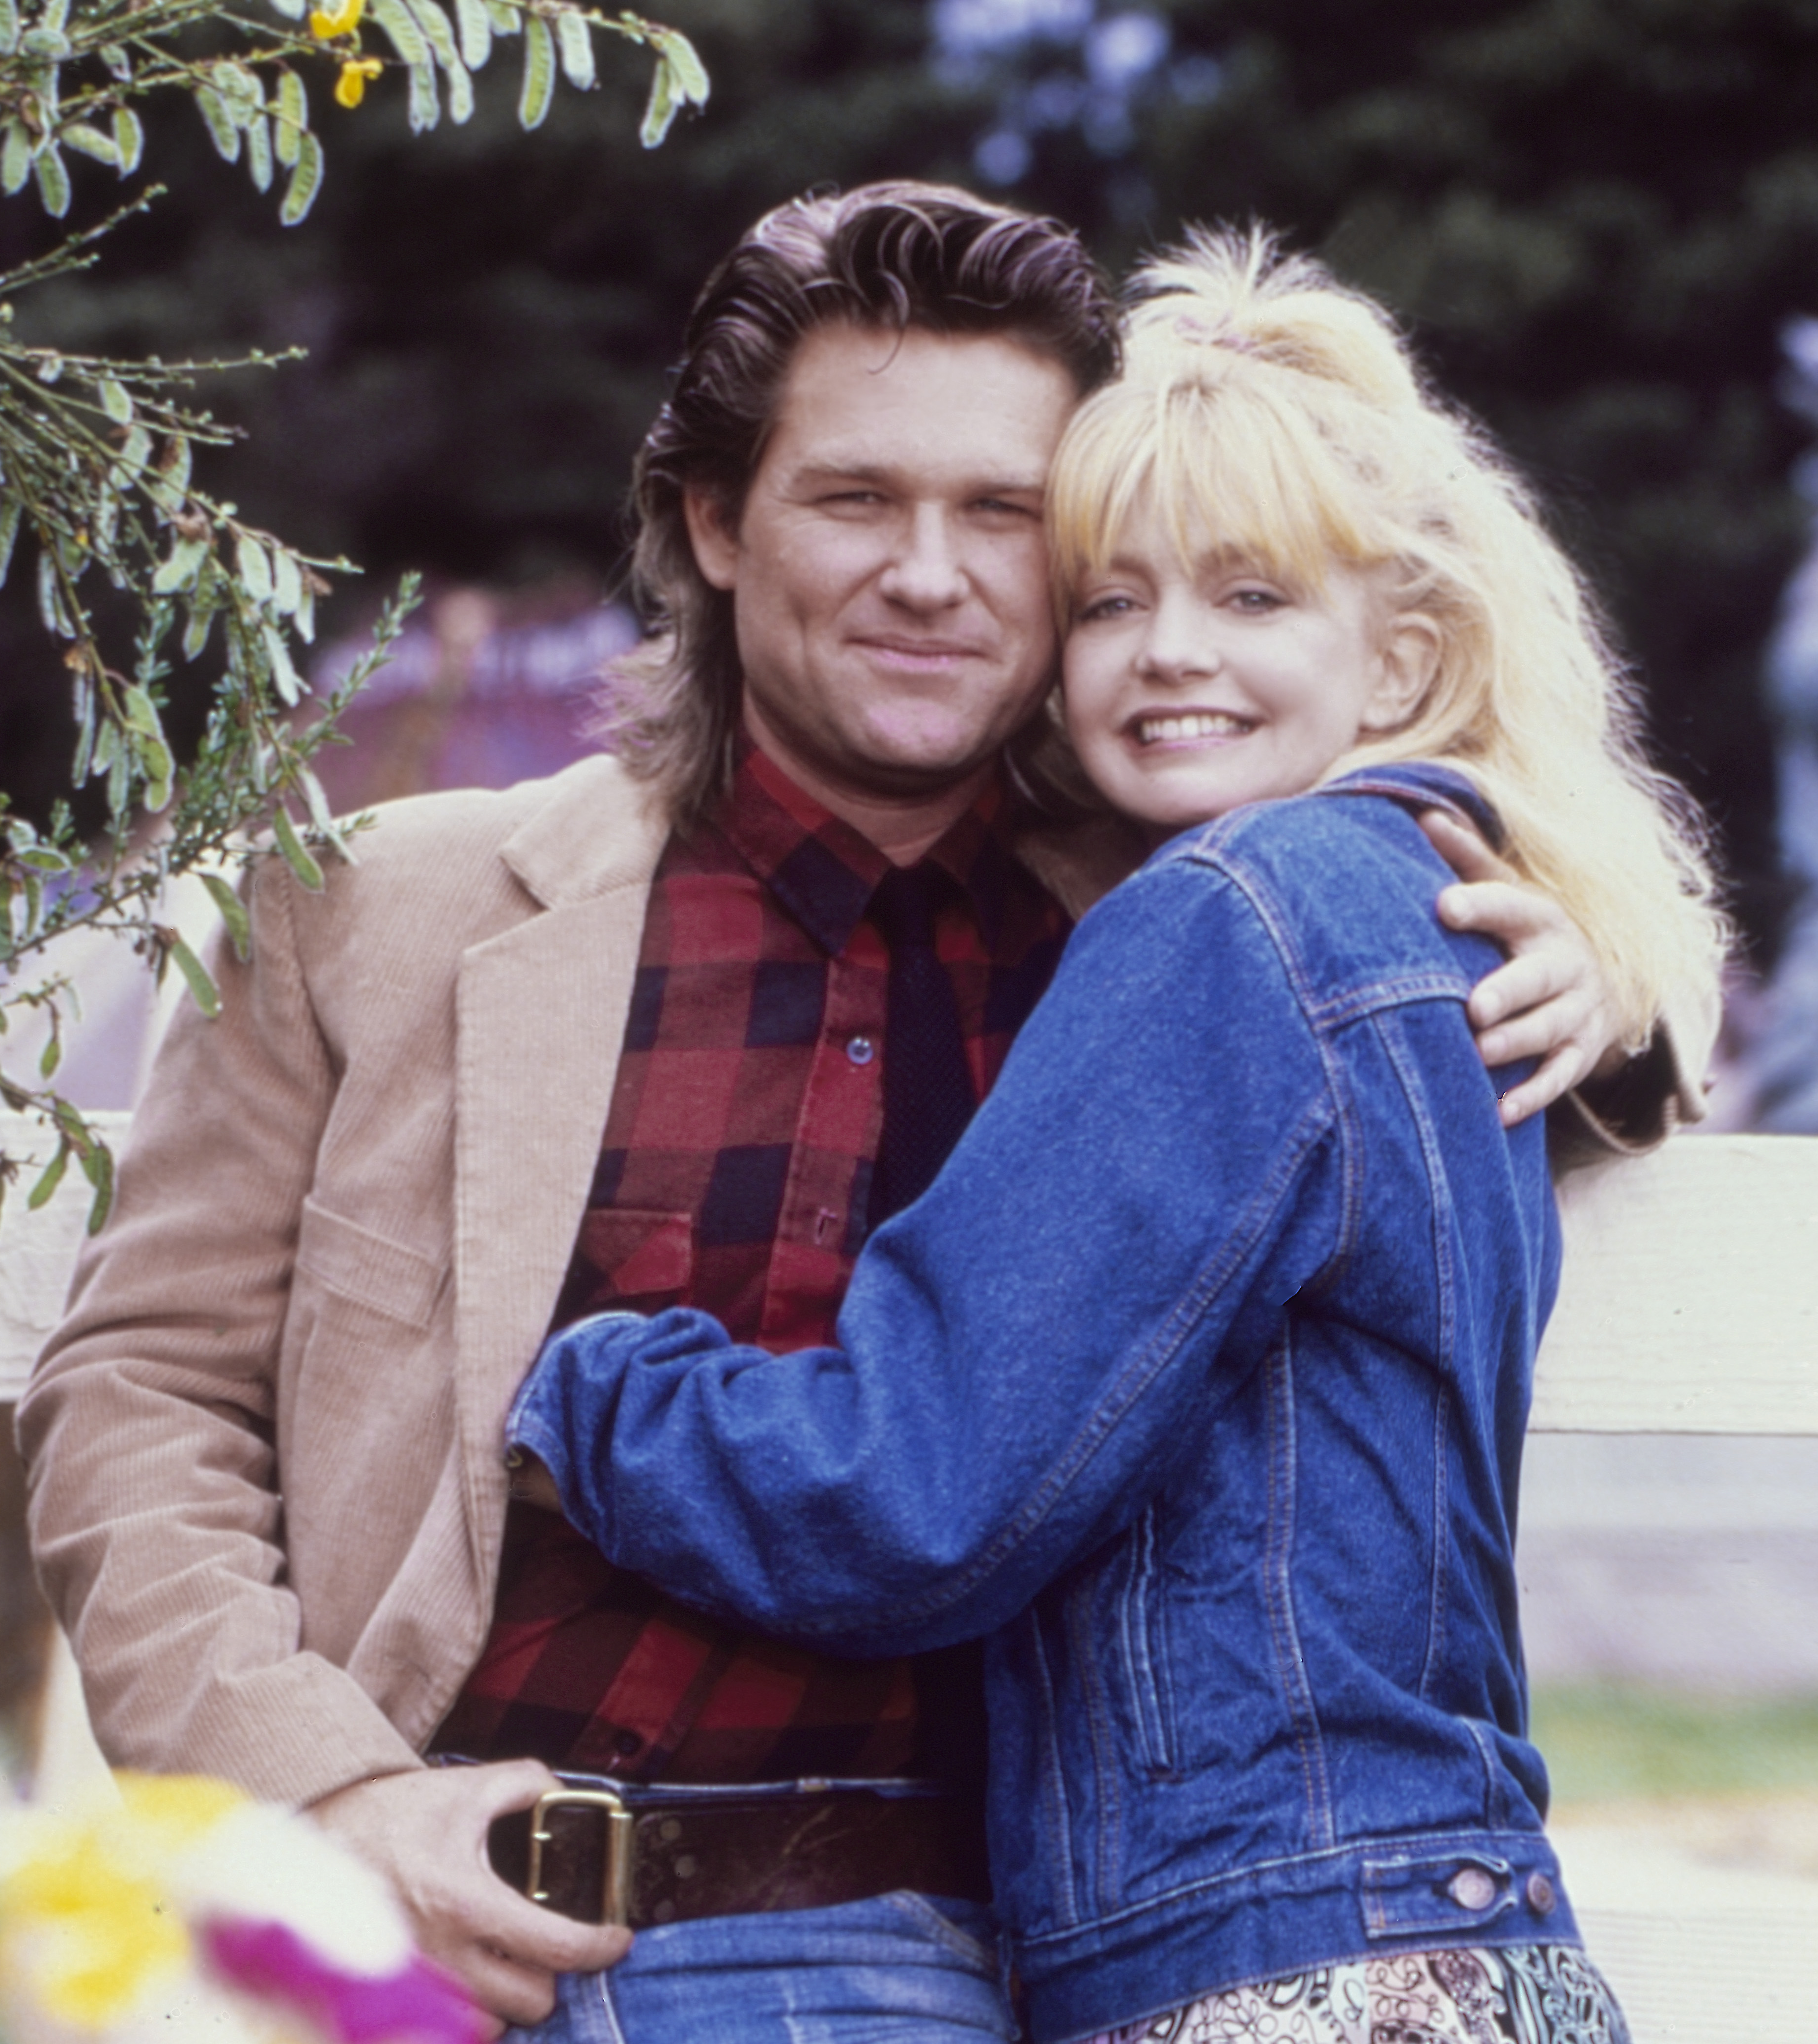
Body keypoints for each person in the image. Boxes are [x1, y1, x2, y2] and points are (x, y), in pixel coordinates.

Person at [18, 185, 1702, 2042]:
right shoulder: (381, 902)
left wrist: (1609, 979)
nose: (933, 573)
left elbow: (1399, 1058)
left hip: (888, 1956)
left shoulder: (1179, 945)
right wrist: (319, 1798)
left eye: (1006, 516)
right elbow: (141, 1387)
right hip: (402, 1906)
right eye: (855, 500)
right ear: (715, 522)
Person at [504, 228, 1727, 2044]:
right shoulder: (1433, 912)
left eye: (1250, 600)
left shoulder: (1224, 918)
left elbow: (914, 1492)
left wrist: (580, 1391)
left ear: (1396, 660)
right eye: (1109, 599)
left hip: (1278, 1961)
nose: (1168, 657)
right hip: (1453, 1934)